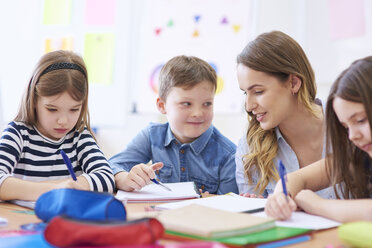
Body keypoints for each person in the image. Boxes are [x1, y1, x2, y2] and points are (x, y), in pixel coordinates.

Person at [109, 55, 238, 194]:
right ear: (162, 105)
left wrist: (212, 201)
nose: (198, 113)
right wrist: (125, 178)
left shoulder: (229, 156)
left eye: (207, 104)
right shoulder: (152, 136)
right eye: (186, 104)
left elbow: (230, 206)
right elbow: (110, 166)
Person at [265, 56, 372, 223]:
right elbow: (297, 178)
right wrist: (280, 196)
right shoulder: (360, 156)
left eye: (360, 120)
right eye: (346, 127)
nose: (353, 136)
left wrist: (316, 204)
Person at [0, 50, 115, 201]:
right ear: (34, 100)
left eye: (74, 109)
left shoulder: (79, 135)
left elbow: (107, 177)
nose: (63, 121)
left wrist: (66, 186)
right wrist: (55, 188)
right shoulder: (18, 133)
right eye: (52, 109)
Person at [235, 30, 334, 198]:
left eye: (258, 91)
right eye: (245, 93)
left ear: (293, 83)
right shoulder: (251, 146)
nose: (249, 106)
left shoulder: (349, 127)